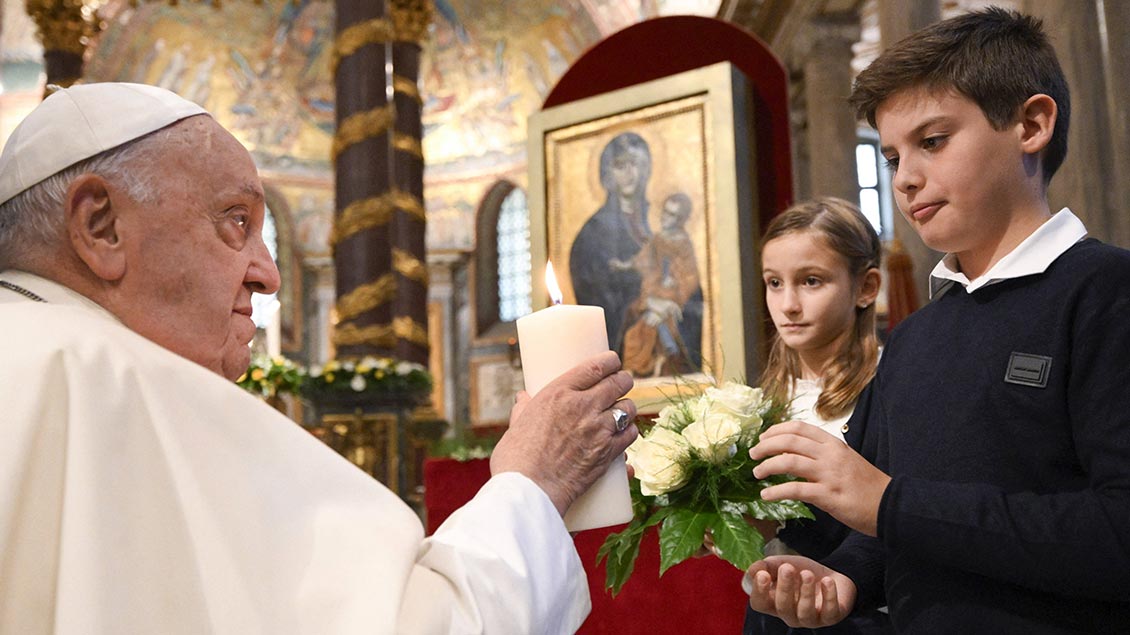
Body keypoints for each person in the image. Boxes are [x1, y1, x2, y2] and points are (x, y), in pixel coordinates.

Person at [0, 82, 639, 634]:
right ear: (100, 226)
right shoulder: (114, 383)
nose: (270, 275)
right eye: (234, 221)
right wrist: (533, 482)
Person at [746, 8, 1130, 632]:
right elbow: (887, 526)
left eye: (932, 141)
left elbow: (1117, 532)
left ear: (1031, 124)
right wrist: (842, 576)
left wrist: (890, 504)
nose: (906, 179)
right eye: (893, 157)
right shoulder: (916, 336)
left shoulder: (1106, 293)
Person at [743, 197, 888, 635]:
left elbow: (901, 513)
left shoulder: (890, 387)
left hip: (861, 612)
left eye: (810, 281)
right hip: (774, 617)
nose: (787, 305)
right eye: (773, 283)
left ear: (865, 287)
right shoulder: (756, 403)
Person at [570, 131, 652, 354]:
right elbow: (595, 298)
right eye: (619, 165)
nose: (629, 173)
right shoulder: (592, 233)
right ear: (608, 173)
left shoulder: (655, 221)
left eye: (634, 164)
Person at [612, 191, 704, 377]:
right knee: (634, 329)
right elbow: (643, 259)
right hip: (653, 292)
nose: (665, 217)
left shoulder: (684, 244)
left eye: (672, 215)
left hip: (673, 295)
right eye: (665, 212)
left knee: (646, 330)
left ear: (681, 219)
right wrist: (624, 265)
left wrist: (673, 300)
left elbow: (689, 277)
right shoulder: (657, 239)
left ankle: (663, 359)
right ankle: (638, 371)